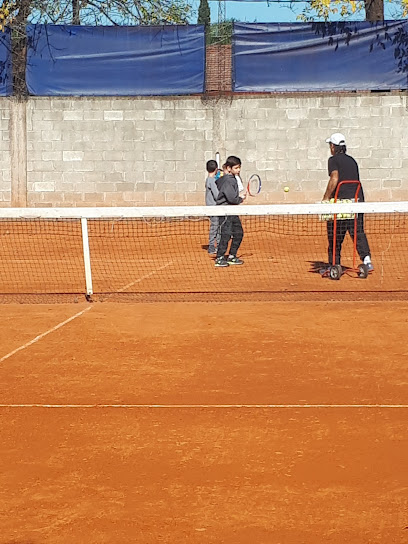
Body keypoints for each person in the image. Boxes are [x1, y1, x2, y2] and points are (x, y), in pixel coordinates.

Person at [321, 132, 373, 274]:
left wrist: (325, 198)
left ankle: (334, 264)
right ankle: (367, 261)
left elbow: (334, 178)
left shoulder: (332, 160)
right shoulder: (352, 160)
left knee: (334, 234)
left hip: (342, 201)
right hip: (357, 200)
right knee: (357, 231)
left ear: (333, 146)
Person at [214, 155, 247, 268]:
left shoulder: (231, 179)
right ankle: (219, 257)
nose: (238, 170)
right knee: (226, 234)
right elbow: (231, 198)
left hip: (232, 211)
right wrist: (240, 198)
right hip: (225, 211)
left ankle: (232, 255)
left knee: (238, 233)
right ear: (229, 168)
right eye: (236, 168)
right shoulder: (228, 180)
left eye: (239, 167)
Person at [205, 159, 221, 255]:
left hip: (212, 207)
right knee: (215, 227)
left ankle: (218, 245)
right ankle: (212, 246)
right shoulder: (211, 181)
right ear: (216, 169)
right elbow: (217, 195)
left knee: (217, 226)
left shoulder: (208, 180)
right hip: (214, 208)